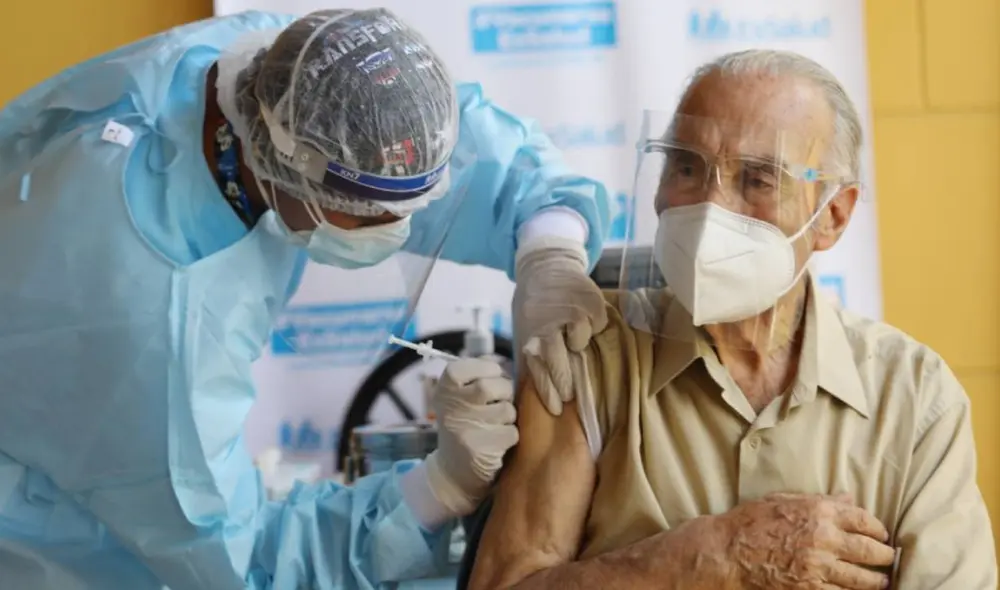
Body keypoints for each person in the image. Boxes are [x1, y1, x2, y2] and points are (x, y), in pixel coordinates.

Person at [0, 8, 610, 590]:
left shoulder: (279, 72)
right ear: (297, 180)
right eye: (380, 218)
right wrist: (440, 487)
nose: (401, 228)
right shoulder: (146, 324)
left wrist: (548, 251)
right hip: (55, 552)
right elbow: (249, 566)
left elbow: (418, 144)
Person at [466, 50, 998, 589]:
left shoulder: (911, 396)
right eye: (687, 167)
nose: (709, 206)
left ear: (833, 215)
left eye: (759, 179)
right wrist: (701, 560)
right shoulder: (586, 358)